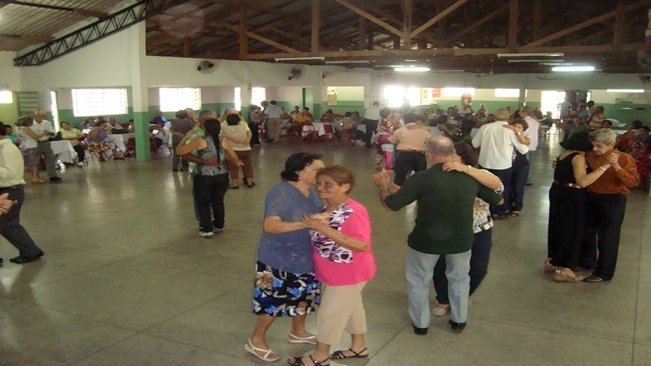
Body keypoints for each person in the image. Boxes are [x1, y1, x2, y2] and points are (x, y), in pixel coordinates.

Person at [373, 136, 501, 334]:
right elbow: (496, 198)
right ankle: (459, 320)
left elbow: (392, 205)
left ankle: (421, 324)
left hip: (425, 241)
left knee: (418, 280)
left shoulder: (421, 178)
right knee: (459, 278)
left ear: (430, 155)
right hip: (461, 240)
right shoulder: (469, 177)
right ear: (452, 153)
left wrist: (383, 186)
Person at [288, 166, 376, 366]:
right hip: (335, 271)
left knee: (330, 313)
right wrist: (313, 223)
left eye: (328, 184)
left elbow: (362, 244)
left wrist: (322, 228)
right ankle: (359, 346)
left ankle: (320, 356)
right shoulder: (328, 207)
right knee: (352, 307)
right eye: (319, 183)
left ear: (345, 186)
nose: (321, 188)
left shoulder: (354, 211)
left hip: (349, 272)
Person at [245, 153, 325, 363]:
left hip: (305, 257)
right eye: (317, 169)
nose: (321, 173)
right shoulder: (281, 193)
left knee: (303, 298)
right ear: (299, 171)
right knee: (270, 303)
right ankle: (256, 340)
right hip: (276, 260)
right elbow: (269, 226)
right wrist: (306, 224)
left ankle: (297, 331)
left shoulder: (313, 190)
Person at [432, 141, 503, 316]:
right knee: (442, 266)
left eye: (451, 154)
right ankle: (443, 299)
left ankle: (462, 295)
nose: (447, 158)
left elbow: (497, 186)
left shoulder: (480, 174)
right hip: (448, 229)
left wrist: (467, 170)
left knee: (478, 267)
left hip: (479, 229)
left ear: (462, 157)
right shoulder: (441, 175)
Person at [546, 131, 612, 283]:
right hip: (572, 196)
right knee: (573, 229)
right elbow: (583, 182)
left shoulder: (564, 154)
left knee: (558, 226)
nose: (594, 148)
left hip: (558, 192)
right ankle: (566, 267)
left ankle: (555, 259)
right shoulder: (578, 157)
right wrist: (603, 167)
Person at [580, 129, 639, 282]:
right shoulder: (589, 155)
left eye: (599, 146)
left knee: (608, 237)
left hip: (613, 200)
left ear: (611, 145)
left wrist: (617, 167)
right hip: (591, 197)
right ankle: (587, 262)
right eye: (593, 145)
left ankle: (604, 272)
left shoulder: (625, 158)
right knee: (587, 230)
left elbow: (633, 182)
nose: (595, 149)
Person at [176, 118, 241, 237]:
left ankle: (206, 229)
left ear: (205, 128)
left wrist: (185, 138)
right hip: (222, 175)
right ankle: (219, 225)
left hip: (205, 176)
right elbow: (233, 156)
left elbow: (180, 151)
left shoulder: (200, 140)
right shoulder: (224, 140)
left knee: (203, 203)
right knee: (218, 201)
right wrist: (236, 162)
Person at [0, 121, 45, 265]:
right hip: (6, 189)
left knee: (7, 224)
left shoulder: (7, 149)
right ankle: (30, 250)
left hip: (10, 191)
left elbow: (11, 174)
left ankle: (31, 251)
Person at [471, 108, 529, 220]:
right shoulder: (509, 130)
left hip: (485, 163)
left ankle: (486, 210)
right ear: (508, 117)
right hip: (503, 165)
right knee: (503, 188)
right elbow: (523, 149)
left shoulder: (485, 128)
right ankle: (499, 211)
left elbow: (474, 144)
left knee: (484, 187)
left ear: (494, 116)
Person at [390, 113, 432, 186]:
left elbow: (392, 141)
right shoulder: (425, 131)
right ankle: (420, 193)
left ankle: (398, 193)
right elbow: (429, 142)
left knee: (400, 177)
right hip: (419, 156)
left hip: (403, 155)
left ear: (404, 121)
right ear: (415, 120)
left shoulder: (399, 131)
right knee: (421, 177)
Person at [221, 111, 255, 188]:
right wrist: (247, 140)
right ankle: (250, 182)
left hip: (232, 150)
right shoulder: (243, 125)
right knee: (247, 166)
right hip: (245, 149)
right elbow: (249, 131)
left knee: (233, 167)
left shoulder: (223, 126)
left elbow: (220, 124)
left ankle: (235, 183)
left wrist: (226, 116)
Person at [31, 111, 61, 182]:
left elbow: (53, 133)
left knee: (51, 159)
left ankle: (53, 176)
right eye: (39, 116)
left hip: (45, 143)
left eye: (42, 116)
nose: (40, 117)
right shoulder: (30, 124)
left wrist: (48, 133)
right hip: (34, 143)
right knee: (35, 161)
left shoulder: (47, 123)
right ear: (35, 116)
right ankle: (36, 177)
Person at [16, 116, 46, 184]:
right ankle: (34, 177)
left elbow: (18, 139)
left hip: (22, 146)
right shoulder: (26, 128)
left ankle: (19, 177)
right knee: (34, 163)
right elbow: (36, 137)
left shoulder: (17, 128)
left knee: (25, 163)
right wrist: (43, 133)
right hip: (31, 146)